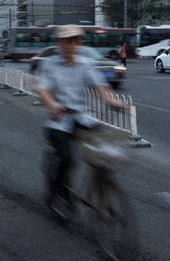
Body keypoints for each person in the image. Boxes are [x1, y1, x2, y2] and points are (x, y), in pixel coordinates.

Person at [37, 24, 125, 212]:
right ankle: (57, 191)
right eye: (67, 40)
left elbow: (100, 86)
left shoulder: (85, 63)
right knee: (68, 159)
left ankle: (102, 186)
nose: (71, 45)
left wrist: (112, 101)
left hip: (82, 118)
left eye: (75, 40)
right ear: (59, 43)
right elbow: (43, 89)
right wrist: (52, 105)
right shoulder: (49, 64)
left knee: (103, 152)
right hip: (58, 120)